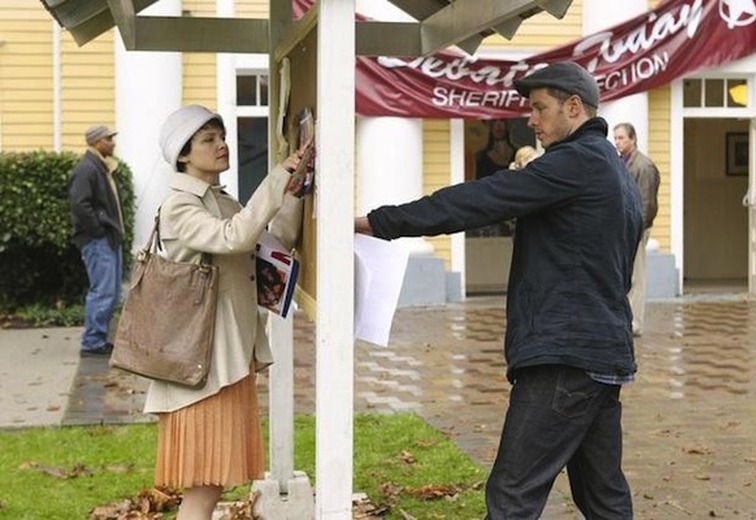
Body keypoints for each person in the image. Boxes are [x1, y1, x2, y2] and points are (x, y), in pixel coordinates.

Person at [356, 62, 642, 518]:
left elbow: (480, 200)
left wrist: (378, 222)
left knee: (512, 495)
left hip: (565, 357)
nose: (531, 119)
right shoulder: (613, 170)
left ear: (573, 107)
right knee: (604, 499)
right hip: (600, 357)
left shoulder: (577, 162)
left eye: (540, 108)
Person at [143, 105, 309, 519]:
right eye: (208, 140)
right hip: (202, 365)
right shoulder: (180, 206)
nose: (221, 145)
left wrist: (294, 192)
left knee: (210, 485)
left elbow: (270, 243)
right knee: (203, 486)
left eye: (222, 137)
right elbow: (234, 238)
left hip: (226, 358)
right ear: (184, 154)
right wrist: (276, 178)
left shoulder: (221, 201)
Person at [67, 125, 124, 357]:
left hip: (108, 239)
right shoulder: (87, 168)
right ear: (96, 142)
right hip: (98, 240)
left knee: (111, 291)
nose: (113, 143)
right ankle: (92, 343)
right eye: (108, 139)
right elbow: (80, 204)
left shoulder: (101, 167)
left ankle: (98, 339)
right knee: (103, 291)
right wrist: (98, 231)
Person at [613, 122, 660, 337]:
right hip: (623, 228)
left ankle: (635, 323)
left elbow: (647, 204)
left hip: (637, 229)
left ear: (632, 139)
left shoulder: (643, 166)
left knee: (636, 276)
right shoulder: (621, 162)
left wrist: (636, 230)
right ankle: (626, 319)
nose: (617, 142)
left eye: (621, 137)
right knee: (626, 275)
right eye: (615, 138)